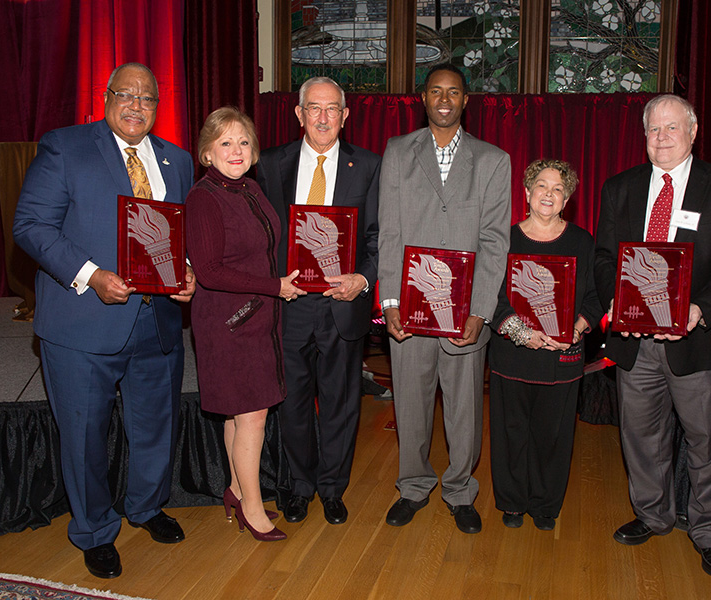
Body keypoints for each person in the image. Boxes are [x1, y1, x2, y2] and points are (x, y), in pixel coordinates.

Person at [13, 62, 195, 578]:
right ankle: (93, 530)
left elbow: (177, 235)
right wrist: (91, 275)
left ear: (158, 107)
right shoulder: (65, 147)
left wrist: (185, 273)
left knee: (156, 426)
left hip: (156, 321)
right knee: (85, 433)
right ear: (107, 96)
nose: (137, 105)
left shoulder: (176, 160)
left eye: (148, 98)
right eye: (127, 94)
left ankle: (146, 506)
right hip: (84, 322)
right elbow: (30, 226)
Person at [594, 94, 711, 579]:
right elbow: (605, 258)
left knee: (708, 439)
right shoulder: (620, 188)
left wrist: (700, 309)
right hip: (635, 340)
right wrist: (616, 301)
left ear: (692, 133)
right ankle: (653, 514)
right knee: (641, 435)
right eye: (654, 130)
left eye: (672, 129)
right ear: (644, 136)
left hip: (698, 338)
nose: (662, 138)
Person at [378, 63, 511, 534]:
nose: (444, 99)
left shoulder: (493, 160)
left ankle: (460, 491)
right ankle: (413, 486)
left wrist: (481, 309)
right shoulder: (396, 152)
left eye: (454, 92)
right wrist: (389, 302)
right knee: (410, 402)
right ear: (423, 98)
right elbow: (390, 232)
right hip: (409, 308)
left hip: (465, 313)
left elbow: (495, 241)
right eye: (436, 91)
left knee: (464, 407)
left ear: (466, 101)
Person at [256, 77, 380, 525]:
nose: (323, 117)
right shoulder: (270, 164)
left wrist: (363, 279)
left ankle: (332, 489)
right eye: (314, 108)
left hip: (342, 306)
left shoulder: (369, 166)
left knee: (341, 403)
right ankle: (298, 487)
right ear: (299, 114)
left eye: (332, 109)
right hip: (288, 305)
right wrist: (272, 281)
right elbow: (259, 237)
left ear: (346, 116)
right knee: (291, 403)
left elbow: (378, 237)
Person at [186, 106, 305, 542]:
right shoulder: (204, 197)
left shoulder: (250, 189)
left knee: (240, 414)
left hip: (258, 319)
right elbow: (211, 271)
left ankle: (237, 490)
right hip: (227, 323)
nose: (235, 151)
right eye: (224, 143)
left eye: (242, 142)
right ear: (206, 153)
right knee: (252, 414)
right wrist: (274, 287)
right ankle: (253, 509)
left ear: (253, 150)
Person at [488, 159, 603, 531]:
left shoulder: (582, 241)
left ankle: (546, 506)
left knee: (553, 437)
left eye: (557, 188)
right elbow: (491, 294)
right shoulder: (503, 239)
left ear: (566, 198)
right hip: (512, 355)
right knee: (511, 432)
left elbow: (597, 294)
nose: (548, 194)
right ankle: (511, 502)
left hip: (562, 356)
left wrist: (579, 327)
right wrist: (521, 332)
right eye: (541, 186)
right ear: (526, 193)